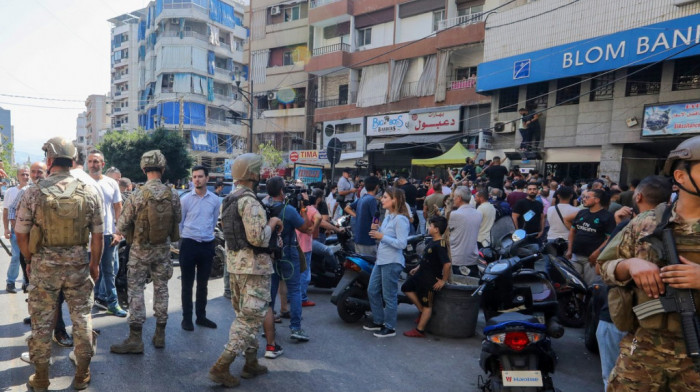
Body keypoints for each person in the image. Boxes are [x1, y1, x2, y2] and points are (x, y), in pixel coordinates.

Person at [598, 136, 700, 391]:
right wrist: (631, 264)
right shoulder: (646, 222)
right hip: (644, 351)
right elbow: (604, 267)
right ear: (681, 176)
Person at [16, 137, 104, 390]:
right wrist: (94, 265)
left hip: (44, 266)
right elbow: (98, 235)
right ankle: (81, 375)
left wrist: (31, 259)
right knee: (82, 319)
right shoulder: (89, 190)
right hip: (78, 267)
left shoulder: (34, 191)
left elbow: (21, 233)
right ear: (73, 160)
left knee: (42, 322)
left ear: (50, 160)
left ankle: (41, 377)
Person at [209, 154, 282, 387]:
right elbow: (259, 238)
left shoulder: (229, 199)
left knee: (245, 314)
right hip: (254, 269)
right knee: (250, 319)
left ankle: (250, 362)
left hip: (236, 267)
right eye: (258, 171)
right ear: (252, 174)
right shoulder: (250, 202)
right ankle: (222, 365)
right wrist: (273, 223)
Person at [594, 175, 671, 391]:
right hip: (653, 326)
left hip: (623, 319)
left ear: (638, 196)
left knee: (613, 376)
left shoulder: (634, 224)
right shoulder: (642, 224)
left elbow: (599, 265)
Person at [111, 150, 181, 354]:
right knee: (162, 290)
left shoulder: (137, 195)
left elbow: (122, 225)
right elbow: (177, 219)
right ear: (163, 168)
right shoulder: (173, 194)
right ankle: (160, 334)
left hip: (140, 250)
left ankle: (135, 338)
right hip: (162, 250)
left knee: (135, 291)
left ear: (143, 169)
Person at [266, 176, 313, 342]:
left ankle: (268, 326)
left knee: (271, 291)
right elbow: (306, 227)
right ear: (281, 191)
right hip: (288, 252)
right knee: (294, 290)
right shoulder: (288, 210)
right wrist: (304, 208)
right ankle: (295, 328)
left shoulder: (265, 206)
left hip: (270, 254)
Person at [364, 187, 410, 338]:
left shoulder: (401, 219)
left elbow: (402, 243)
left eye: (385, 197)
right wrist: (377, 230)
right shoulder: (389, 216)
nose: (382, 200)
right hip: (381, 260)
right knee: (372, 290)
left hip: (392, 261)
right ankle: (378, 320)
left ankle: (390, 327)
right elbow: (383, 236)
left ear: (394, 200)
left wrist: (382, 236)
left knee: (389, 296)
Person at [179, 165, 221, 331]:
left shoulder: (215, 200)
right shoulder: (185, 200)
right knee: (187, 283)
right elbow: (180, 223)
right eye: (194, 177)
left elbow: (214, 220)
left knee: (203, 284)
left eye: (200, 176)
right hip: (189, 243)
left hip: (207, 245)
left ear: (207, 178)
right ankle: (186, 319)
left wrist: (205, 235)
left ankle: (201, 316)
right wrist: (188, 236)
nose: (197, 179)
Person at [87, 149, 126, 318]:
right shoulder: (81, 182)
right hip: (86, 236)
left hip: (107, 234)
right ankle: (85, 306)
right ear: (87, 164)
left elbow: (118, 207)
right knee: (86, 271)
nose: (94, 164)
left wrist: (119, 232)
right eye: (91, 161)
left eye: (97, 162)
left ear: (102, 164)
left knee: (109, 271)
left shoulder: (111, 183)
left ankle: (112, 304)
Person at [402, 216, 451, 338]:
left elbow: (447, 264)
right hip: (421, 275)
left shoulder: (440, 244)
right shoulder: (431, 241)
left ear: (437, 229)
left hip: (430, 280)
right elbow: (427, 259)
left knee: (427, 305)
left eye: (431, 226)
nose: (428, 227)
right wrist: (417, 268)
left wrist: (443, 280)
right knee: (406, 287)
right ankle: (421, 311)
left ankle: (420, 330)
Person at [566, 188, 615, 286]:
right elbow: (572, 231)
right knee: (574, 285)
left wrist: (597, 253)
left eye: (587, 197)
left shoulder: (607, 217)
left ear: (597, 200)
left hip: (591, 259)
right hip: (575, 255)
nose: (584, 199)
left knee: (590, 286)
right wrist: (569, 249)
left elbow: (610, 238)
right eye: (583, 197)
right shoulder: (581, 213)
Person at [4, 166, 30, 293]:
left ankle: (27, 282)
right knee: (16, 256)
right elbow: (7, 211)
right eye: (22, 174)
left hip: (30, 232)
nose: (25, 177)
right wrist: (7, 228)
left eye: (27, 174)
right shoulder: (11, 191)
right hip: (16, 231)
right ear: (18, 176)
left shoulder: (32, 190)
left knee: (28, 258)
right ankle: (10, 282)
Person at [448, 187, 482, 277]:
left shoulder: (454, 215)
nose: (453, 199)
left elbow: (443, 230)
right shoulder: (478, 213)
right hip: (472, 257)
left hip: (457, 258)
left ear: (459, 198)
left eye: (454, 197)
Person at [297, 190, 322, 307]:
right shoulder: (309, 208)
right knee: (304, 274)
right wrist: (314, 228)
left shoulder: (291, 206)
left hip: (293, 245)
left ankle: (292, 296)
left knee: (294, 273)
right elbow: (319, 217)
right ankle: (302, 298)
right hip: (305, 246)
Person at [344, 176, 380, 256]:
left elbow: (347, 208)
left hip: (359, 238)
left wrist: (358, 216)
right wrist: (379, 227)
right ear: (377, 186)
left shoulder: (362, 198)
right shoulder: (372, 199)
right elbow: (375, 217)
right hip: (368, 240)